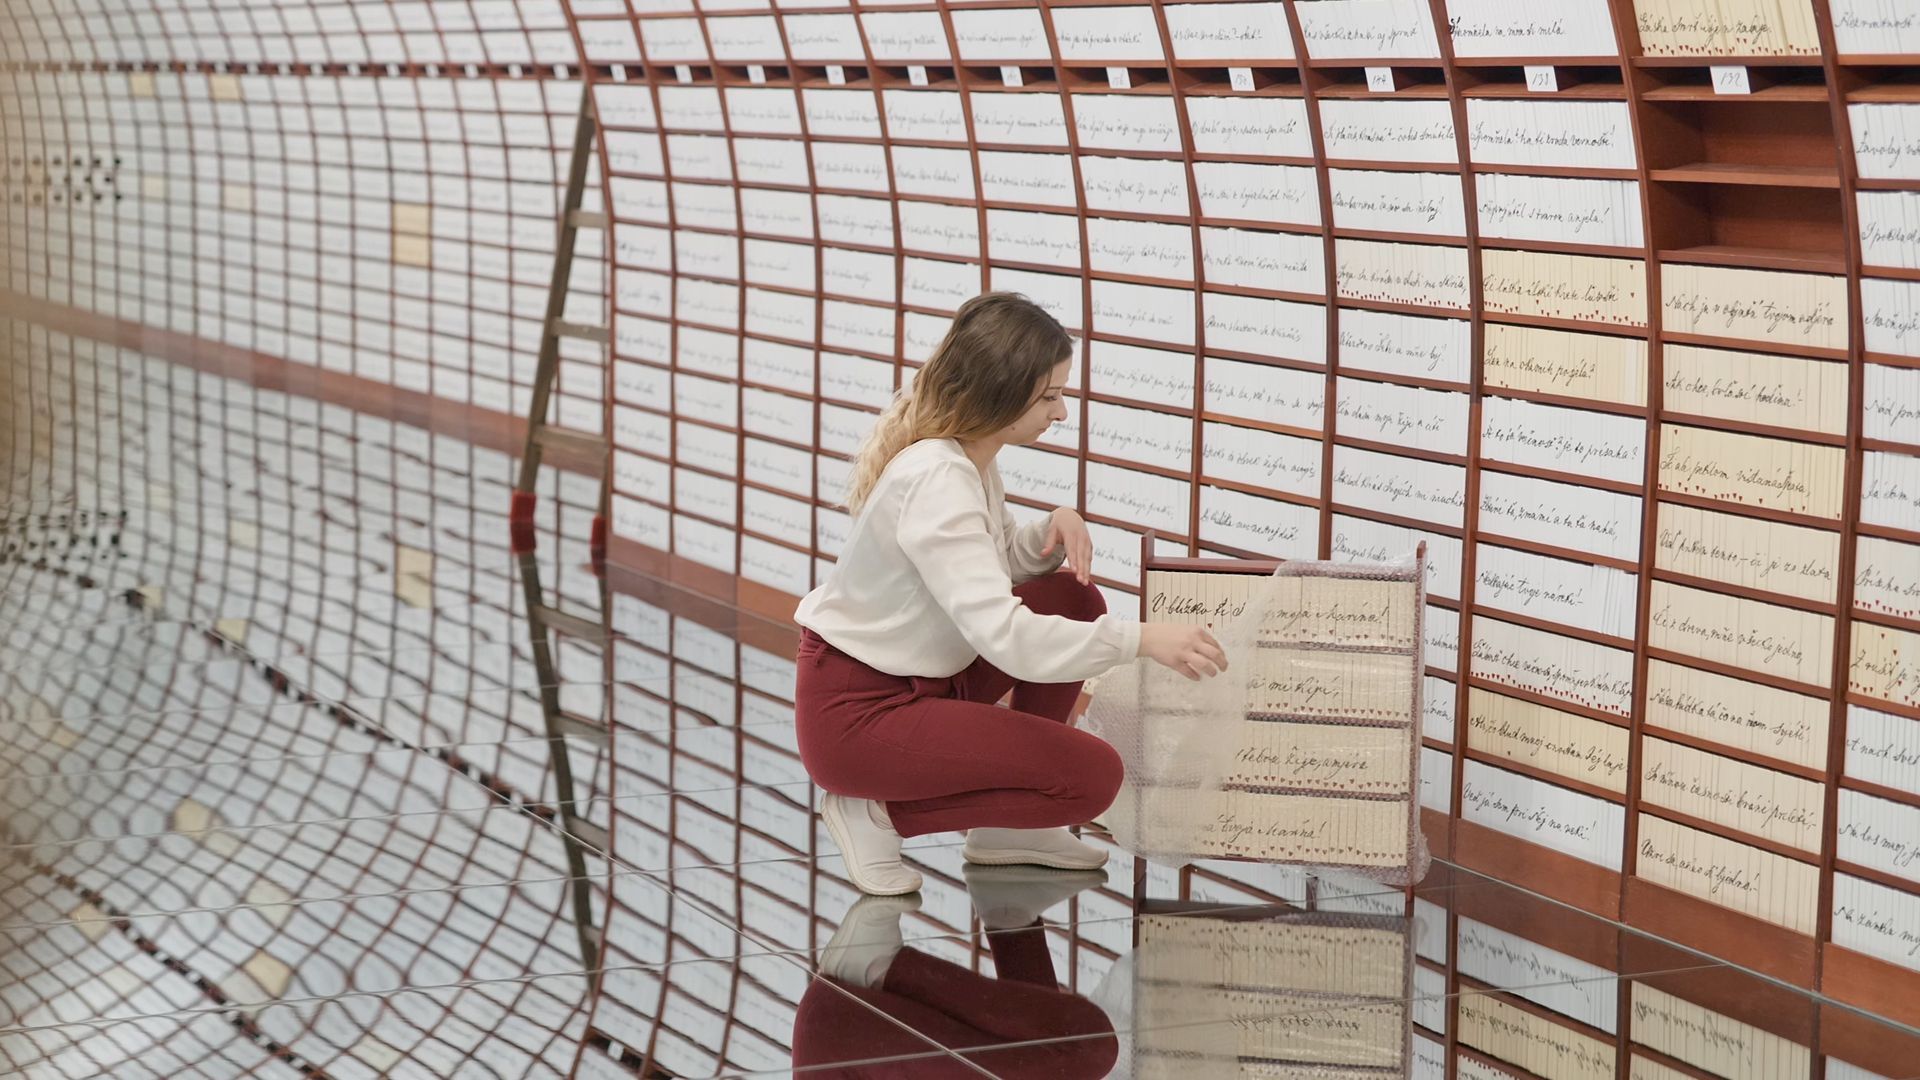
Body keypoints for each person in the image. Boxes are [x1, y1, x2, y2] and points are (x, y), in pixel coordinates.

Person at [793, 292, 1228, 896]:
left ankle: (1009, 829)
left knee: (1072, 598)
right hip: (860, 715)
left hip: (919, 678)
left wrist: (1039, 539)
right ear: (1000, 392)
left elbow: (973, 566)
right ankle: (874, 815)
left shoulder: (965, 458)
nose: (1062, 411)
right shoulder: (939, 477)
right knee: (1091, 777)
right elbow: (1007, 638)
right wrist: (1142, 639)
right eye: (1049, 396)